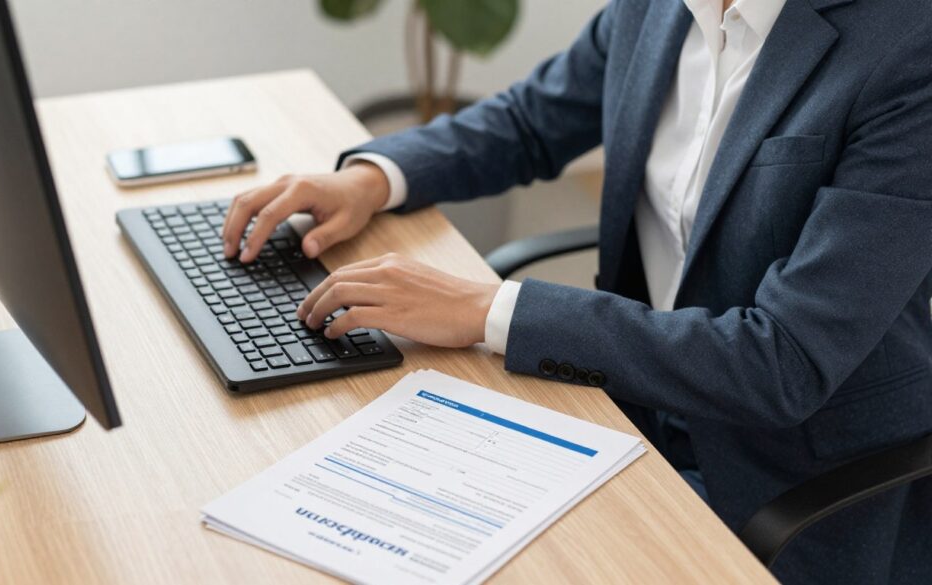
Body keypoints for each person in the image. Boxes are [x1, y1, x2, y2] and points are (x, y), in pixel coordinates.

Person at [223, 0, 932, 582]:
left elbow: (784, 360)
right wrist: (374, 178)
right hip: (624, 402)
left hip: (789, 471)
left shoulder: (908, 47)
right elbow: (531, 121)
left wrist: (489, 307)